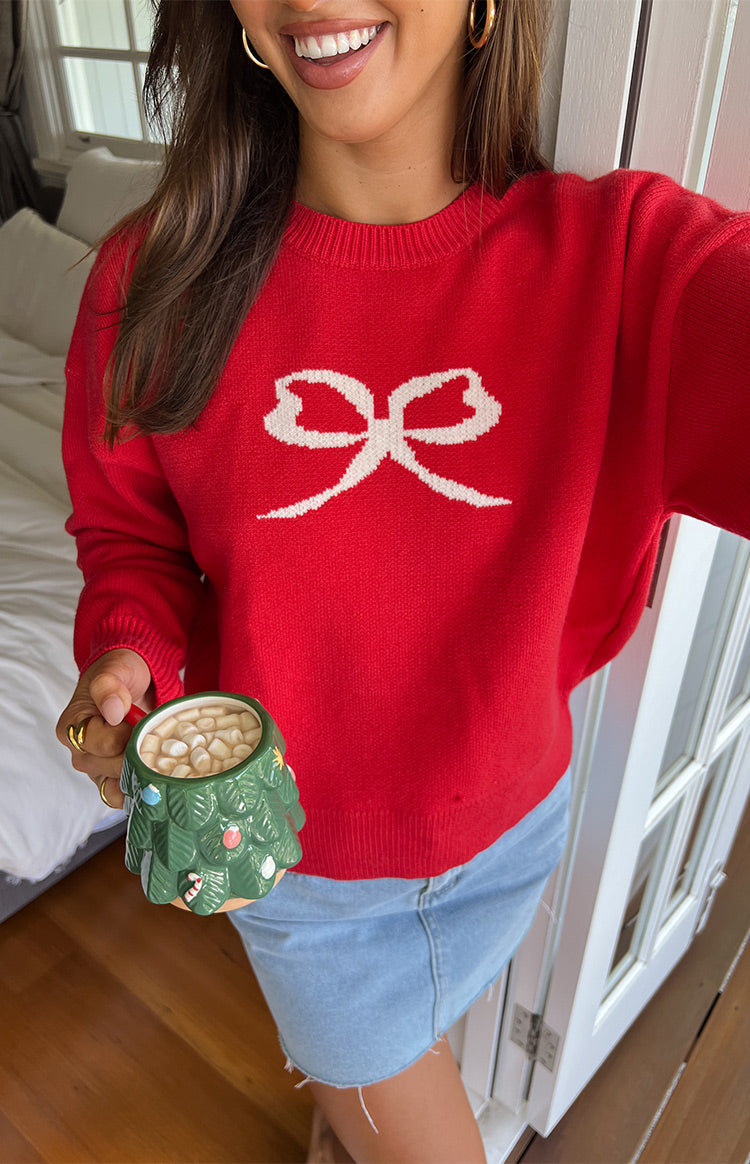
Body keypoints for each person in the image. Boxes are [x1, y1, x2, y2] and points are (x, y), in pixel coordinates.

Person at [56, 1, 750, 1161]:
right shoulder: (152, 282)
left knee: (381, 1099)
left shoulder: (624, 265)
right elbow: (134, 540)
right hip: (301, 878)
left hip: (517, 827)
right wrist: (129, 647)